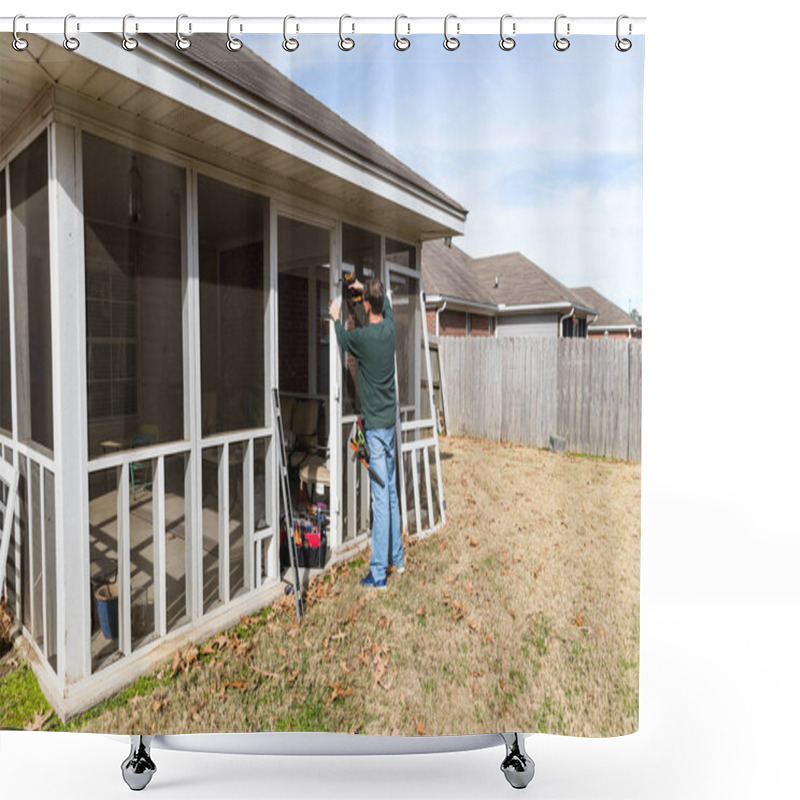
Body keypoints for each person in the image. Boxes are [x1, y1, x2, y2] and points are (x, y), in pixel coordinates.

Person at [329, 277, 403, 589]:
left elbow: (343, 340)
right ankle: (397, 560)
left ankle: (378, 574)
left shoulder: (364, 338)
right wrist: (365, 291)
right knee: (393, 495)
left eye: (363, 301)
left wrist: (335, 318)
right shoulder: (389, 329)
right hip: (390, 426)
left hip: (374, 429)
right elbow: (385, 305)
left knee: (381, 500)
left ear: (366, 305)